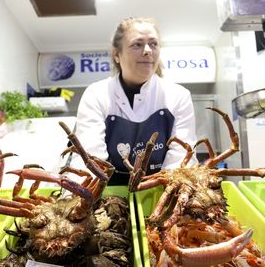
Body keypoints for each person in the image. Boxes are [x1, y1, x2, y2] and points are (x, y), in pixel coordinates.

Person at [71, 17, 198, 186]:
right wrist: (82, 200)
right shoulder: (96, 94)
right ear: (117, 54)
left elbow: (181, 161)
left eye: (153, 44)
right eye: (137, 44)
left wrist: (170, 198)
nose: (148, 50)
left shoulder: (178, 95)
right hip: (108, 192)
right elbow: (89, 159)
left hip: (162, 192)